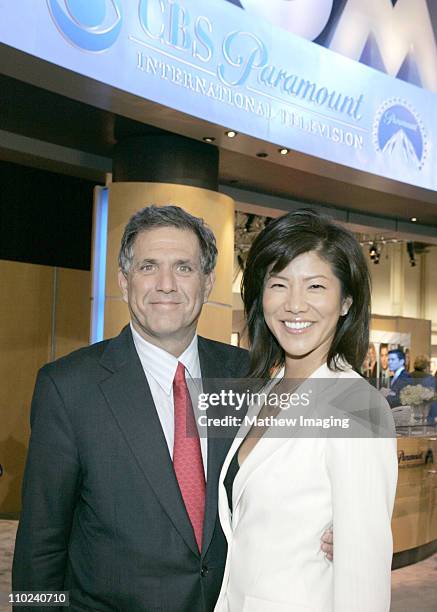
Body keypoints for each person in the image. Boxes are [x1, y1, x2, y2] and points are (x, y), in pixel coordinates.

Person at [12, 205, 333, 612]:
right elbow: (40, 546)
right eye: (149, 266)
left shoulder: (246, 376)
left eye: (184, 267)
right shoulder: (68, 387)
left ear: (208, 282)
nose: (166, 284)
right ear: (124, 282)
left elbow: (304, 468)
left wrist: (340, 520)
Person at [214, 209, 398, 612]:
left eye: (315, 286)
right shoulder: (264, 390)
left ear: (346, 300)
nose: (295, 305)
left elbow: (363, 579)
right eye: (279, 284)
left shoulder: (357, 405)